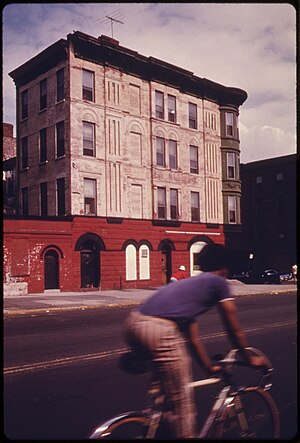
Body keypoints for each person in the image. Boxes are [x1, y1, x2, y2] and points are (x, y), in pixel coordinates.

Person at [124, 243, 267, 438]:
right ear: (224, 265)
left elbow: (192, 335)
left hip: (133, 324)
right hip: (157, 329)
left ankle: (155, 426)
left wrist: (207, 366)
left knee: (164, 395)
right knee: (181, 404)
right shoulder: (218, 283)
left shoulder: (191, 285)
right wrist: (249, 358)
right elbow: (234, 328)